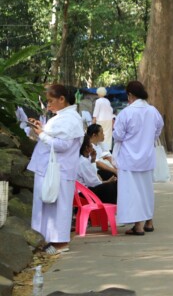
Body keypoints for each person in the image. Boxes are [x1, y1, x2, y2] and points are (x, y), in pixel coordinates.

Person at [27, 84, 85, 254]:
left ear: (62, 99)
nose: (49, 105)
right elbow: (54, 135)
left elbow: (63, 145)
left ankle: (60, 242)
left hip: (59, 169)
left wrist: (42, 134)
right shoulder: (62, 117)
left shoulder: (71, 119)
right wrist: (41, 128)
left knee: (59, 206)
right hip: (50, 168)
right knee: (47, 204)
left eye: (51, 101)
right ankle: (45, 239)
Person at [113, 81, 164, 235]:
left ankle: (138, 226)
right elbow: (159, 128)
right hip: (147, 157)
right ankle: (149, 221)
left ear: (130, 95)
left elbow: (118, 135)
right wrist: (148, 138)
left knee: (132, 192)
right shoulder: (153, 111)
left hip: (129, 158)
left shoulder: (126, 113)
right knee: (146, 190)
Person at [76, 135, 118, 204]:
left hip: (87, 188)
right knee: (110, 187)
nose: (93, 147)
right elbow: (94, 183)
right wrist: (108, 181)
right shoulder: (83, 162)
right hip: (83, 193)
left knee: (108, 176)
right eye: (90, 145)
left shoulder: (86, 158)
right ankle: (109, 207)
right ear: (87, 148)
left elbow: (95, 174)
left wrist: (93, 160)